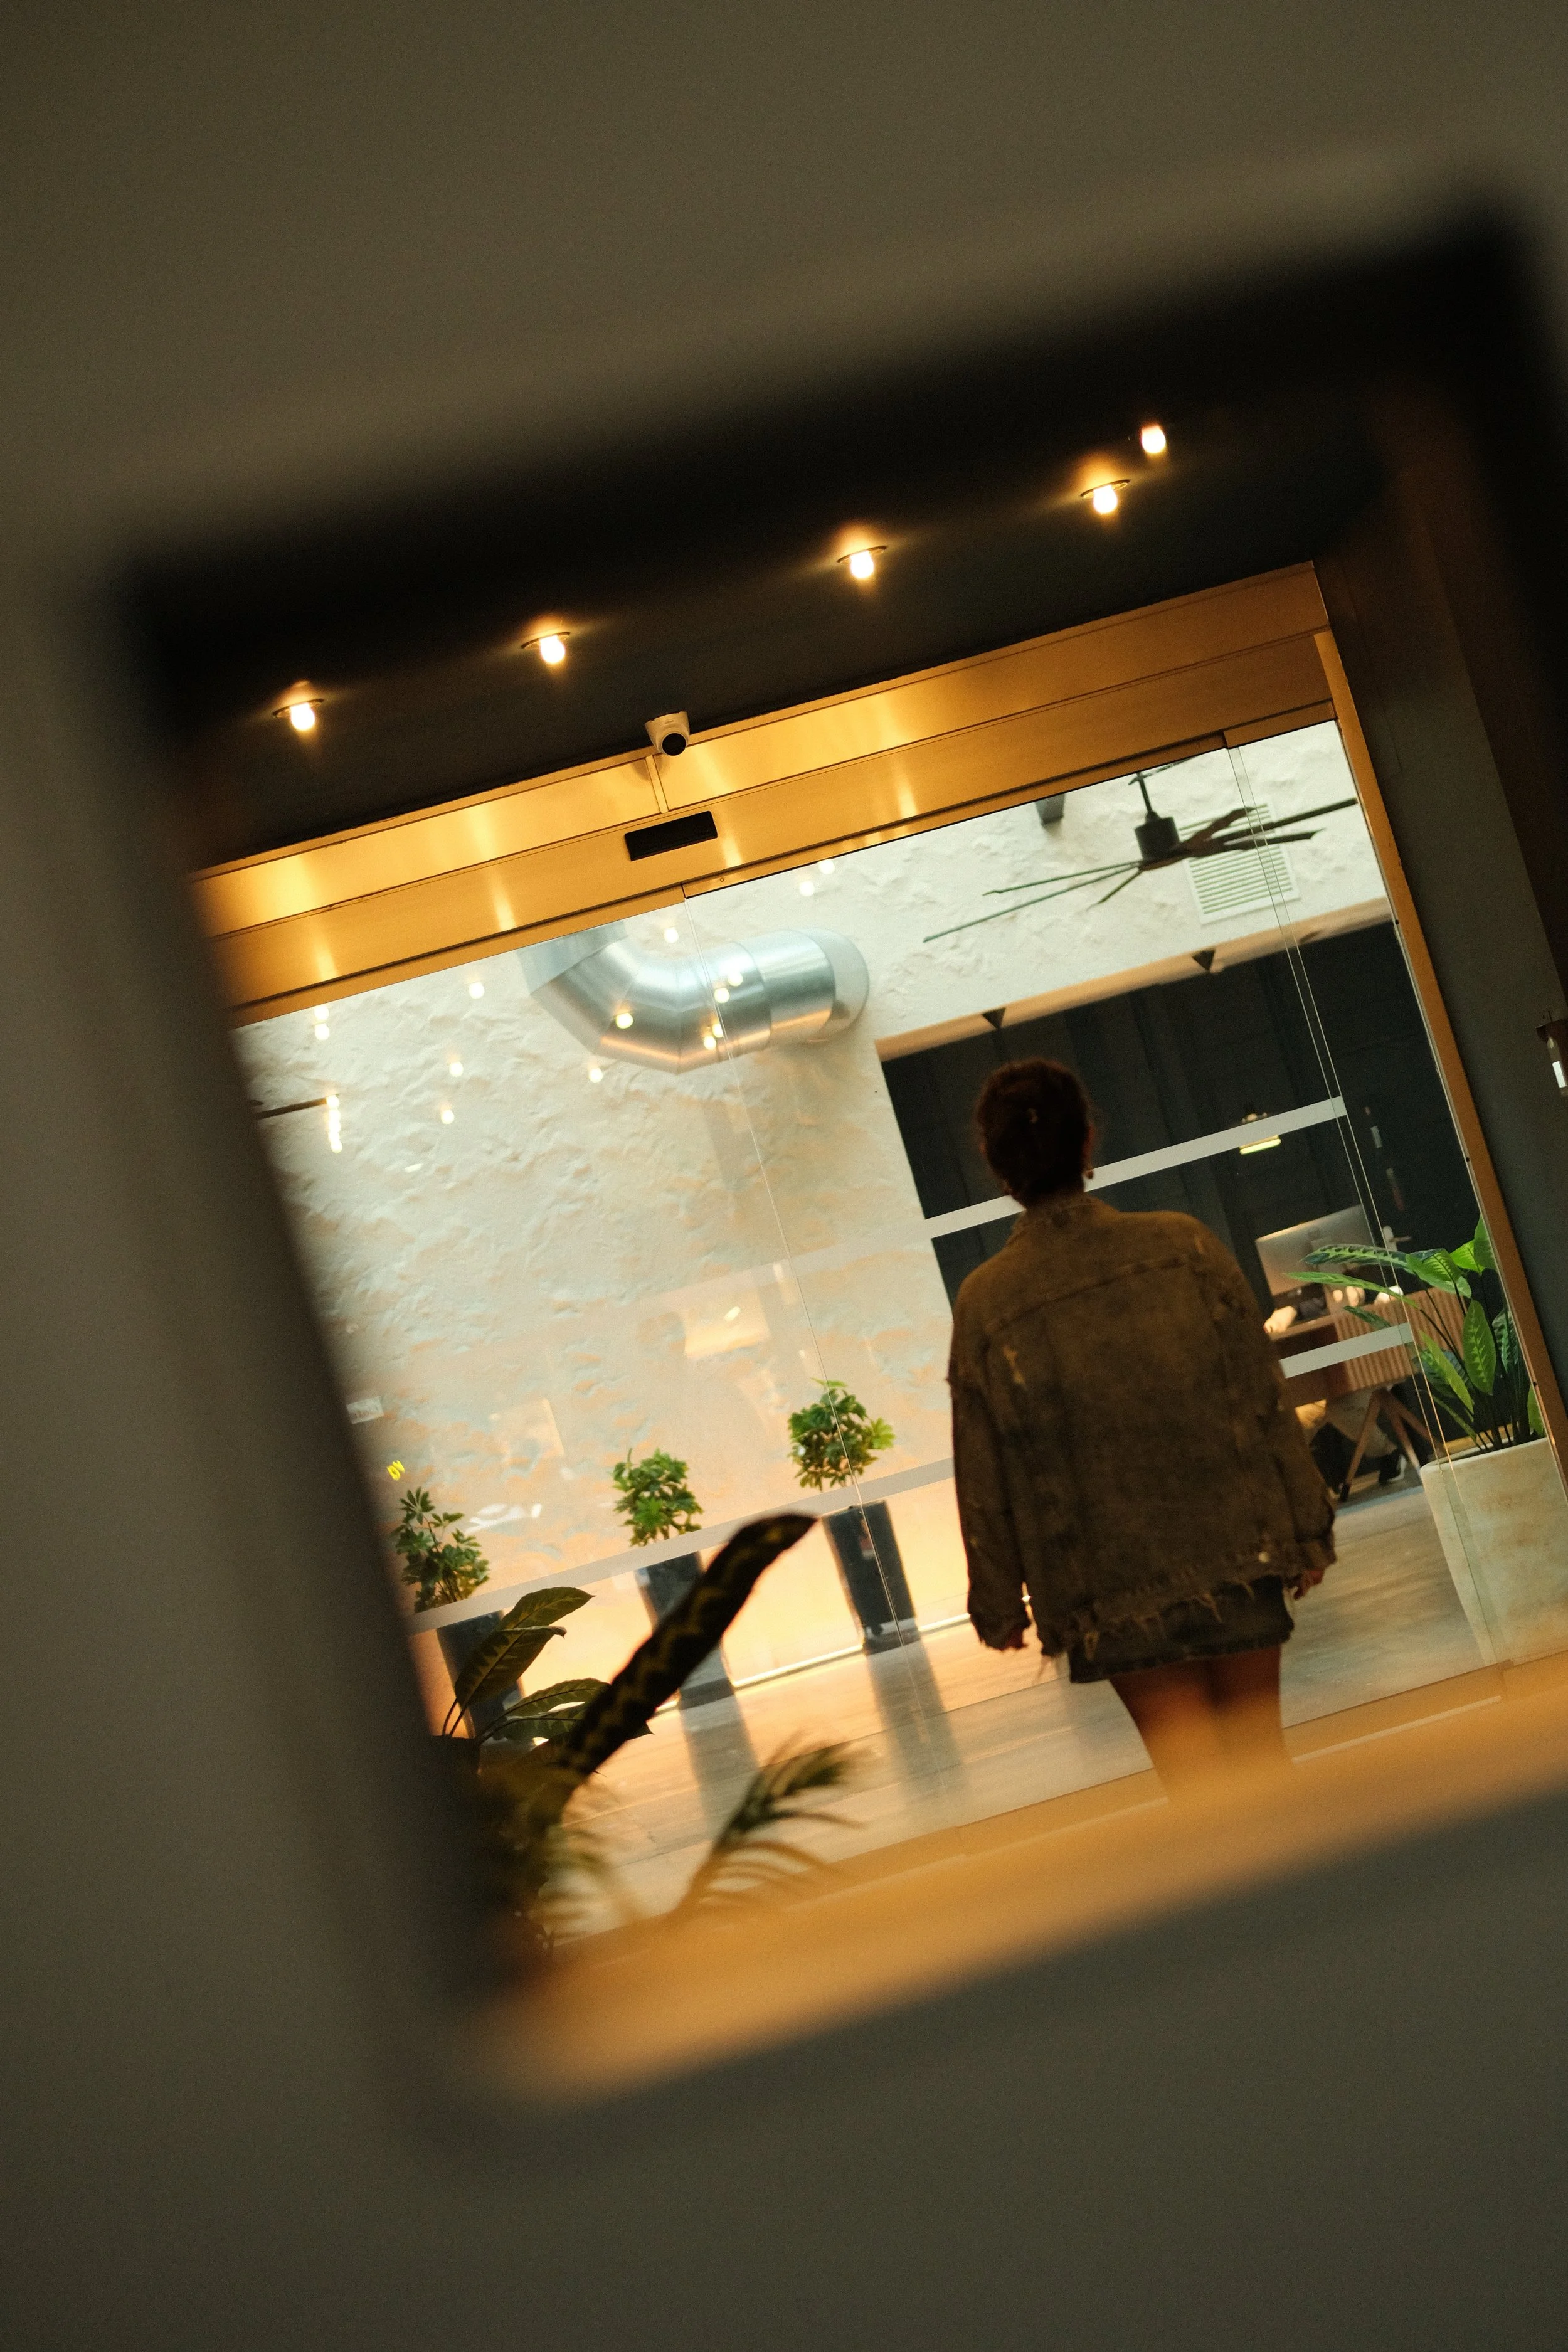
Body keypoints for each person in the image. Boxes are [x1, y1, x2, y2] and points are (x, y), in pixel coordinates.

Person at [948, 1059, 1334, 1791]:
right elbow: (1261, 1395)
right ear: (1088, 1141)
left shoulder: (987, 1301)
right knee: (1263, 1769)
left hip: (1106, 1583)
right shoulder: (1181, 1246)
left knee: (1194, 1787)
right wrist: (1305, 1527)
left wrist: (997, 1599)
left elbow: (985, 1465)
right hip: (1235, 1547)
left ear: (997, 1164)